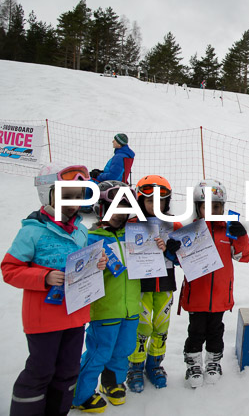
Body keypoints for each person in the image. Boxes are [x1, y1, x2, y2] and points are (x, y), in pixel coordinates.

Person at [2, 163, 107, 415]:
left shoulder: (81, 231)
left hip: (75, 317)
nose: (72, 202)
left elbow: (81, 269)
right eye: (65, 195)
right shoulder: (32, 232)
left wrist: (97, 264)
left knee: (68, 371)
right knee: (40, 371)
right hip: (44, 320)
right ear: (48, 193)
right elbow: (9, 270)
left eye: (78, 196)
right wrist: (44, 277)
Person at [71, 181, 142, 412]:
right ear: (101, 207)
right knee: (99, 352)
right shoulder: (90, 238)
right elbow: (79, 277)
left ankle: (113, 384)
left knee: (124, 349)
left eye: (123, 210)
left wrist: (158, 247)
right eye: (113, 208)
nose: (118, 215)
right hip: (105, 308)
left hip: (131, 307)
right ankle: (80, 394)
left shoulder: (134, 235)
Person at [180, 179, 249, 388]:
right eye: (206, 206)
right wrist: (173, 248)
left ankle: (213, 362)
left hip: (220, 296)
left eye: (216, 206)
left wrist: (241, 236)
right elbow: (178, 259)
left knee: (215, 331)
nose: (211, 210)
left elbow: (242, 256)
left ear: (223, 207)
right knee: (195, 332)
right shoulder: (190, 231)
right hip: (196, 296)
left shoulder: (227, 230)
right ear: (197, 207)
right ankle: (193, 364)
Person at [126, 175, 182, 392]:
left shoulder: (174, 224)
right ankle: (135, 366)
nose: (155, 206)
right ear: (140, 201)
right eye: (150, 201)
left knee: (161, 325)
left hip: (166, 282)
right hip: (140, 283)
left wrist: (171, 250)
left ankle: (155, 364)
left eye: (161, 201)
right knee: (142, 326)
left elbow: (182, 259)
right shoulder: (131, 224)